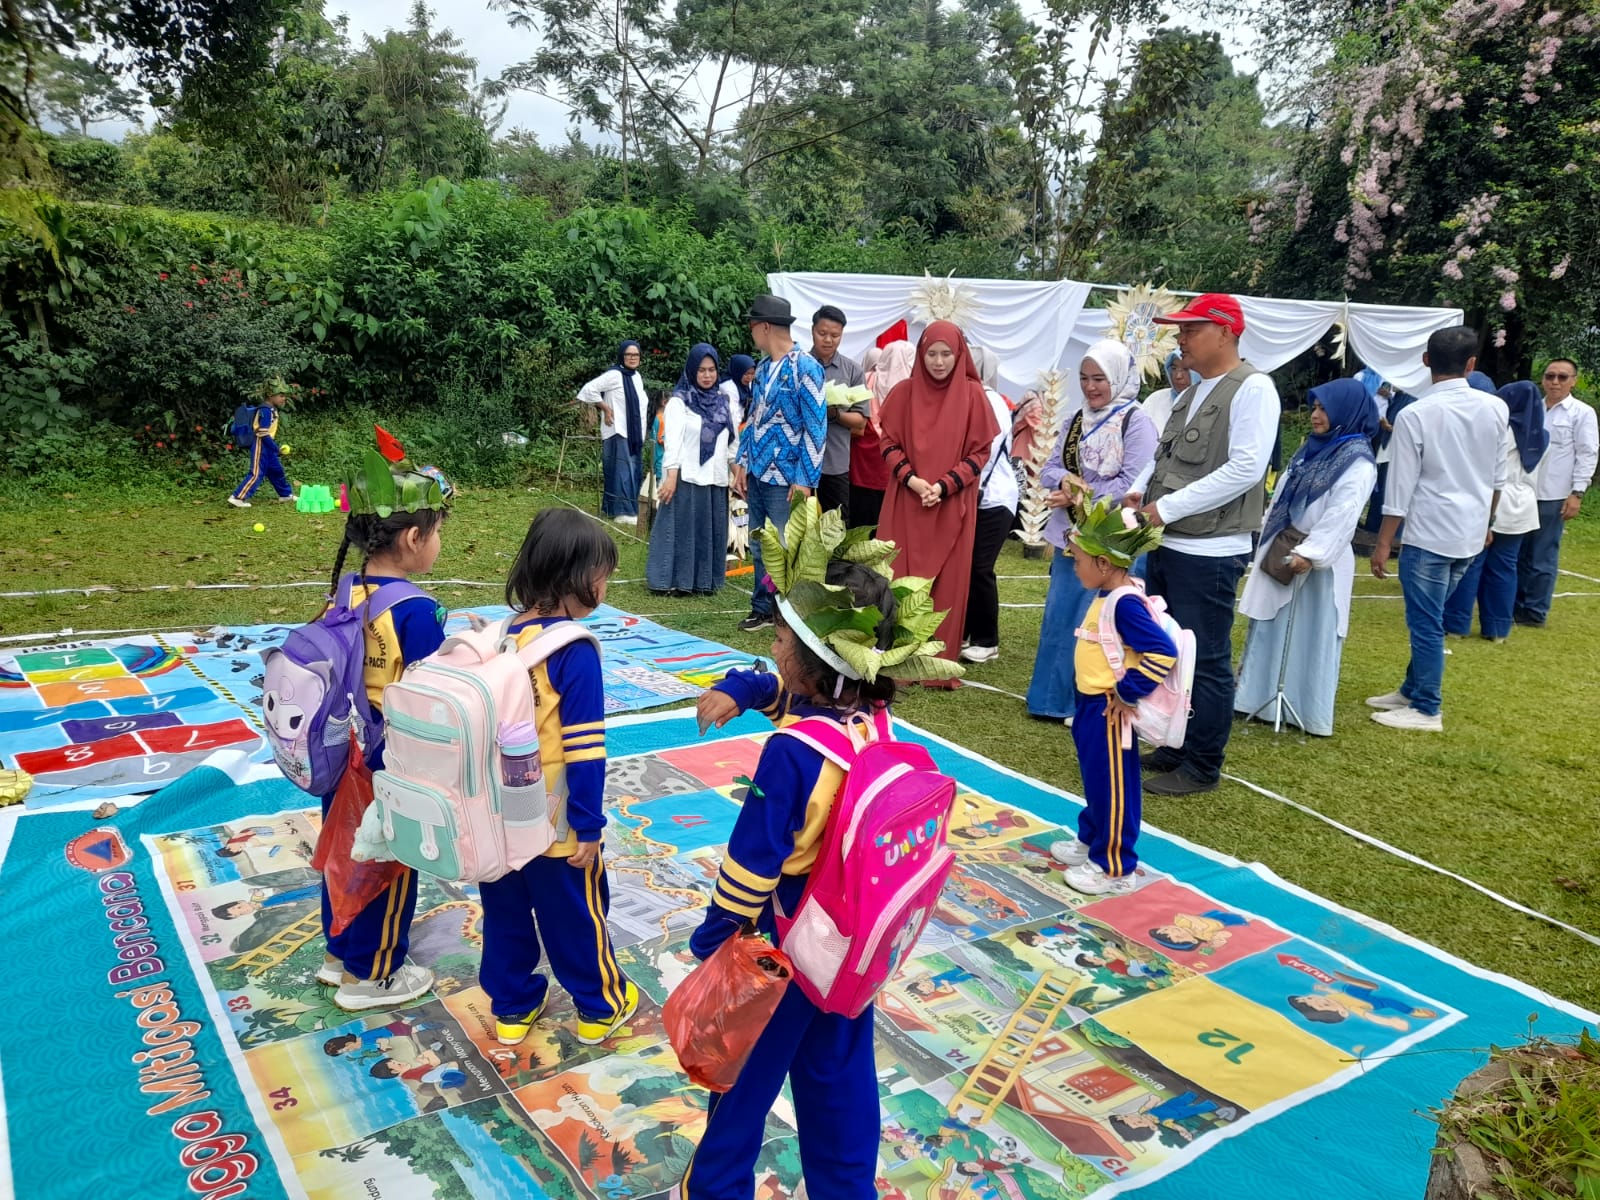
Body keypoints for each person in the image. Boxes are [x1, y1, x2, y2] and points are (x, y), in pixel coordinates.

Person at [679, 504, 952, 1199]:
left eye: (779, 638)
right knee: (838, 1080)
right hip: (851, 948)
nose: (772, 647)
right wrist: (739, 689)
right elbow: (795, 702)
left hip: (783, 952)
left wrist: (716, 939)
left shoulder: (791, 756)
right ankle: (845, 1187)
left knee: (739, 1082)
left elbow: (750, 865)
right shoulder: (872, 724)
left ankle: (714, 1189)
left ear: (812, 659)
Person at [478, 508, 639, 1047]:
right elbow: (585, 749)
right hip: (553, 818)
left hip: (495, 814)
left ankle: (512, 1006)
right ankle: (599, 1006)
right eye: (605, 575)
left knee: (504, 912)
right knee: (575, 912)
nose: (606, 585)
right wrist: (588, 825)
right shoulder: (574, 651)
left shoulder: (499, 637)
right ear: (581, 578)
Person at [317, 443, 452, 1011]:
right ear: (413, 539)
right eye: (438, 530)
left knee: (344, 853)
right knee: (389, 868)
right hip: (388, 763)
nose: (439, 542)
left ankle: (339, 953)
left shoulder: (344, 591)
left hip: (341, 754)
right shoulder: (417, 611)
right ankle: (373, 975)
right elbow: (436, 694)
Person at [1130, 294, 1279, 795]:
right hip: (1173, 541)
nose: (1181, 339)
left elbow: (1246, 468)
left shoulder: (1253, 388)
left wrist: (1165, 508)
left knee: (1208, 659)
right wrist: (1140, 488)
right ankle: (1176, 744)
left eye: (1191, 329)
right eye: (1181, 330)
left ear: (1226, 332)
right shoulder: (1192, 392)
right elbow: (1162, 455)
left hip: (1211, 548)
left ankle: (1202, 765)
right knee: (1172, 650)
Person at [1368, 326, 1509, 732]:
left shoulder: (1415, 414)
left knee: (1426, 623)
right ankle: (1413, 689)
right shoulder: (1494, 408)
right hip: (1468, 532)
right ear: (1471, 365)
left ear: (1426, 361)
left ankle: (1427, 707)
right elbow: (1499, 477)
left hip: (1431, 534)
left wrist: (1383, 542)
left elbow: (1400, 485)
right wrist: (1488, 523)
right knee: (1431, 618)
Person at [1234, 380, 1378, 735]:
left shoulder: (1357, 461)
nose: (1315, 416)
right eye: (1314, 408)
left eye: (1324, 409)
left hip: (1316, 562)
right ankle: (1254, 698)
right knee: (1272, 626)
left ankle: (1306, 707)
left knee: (1311, 633)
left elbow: (1344, 512)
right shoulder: (1310, 451)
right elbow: (1283, 494)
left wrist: (1312, 553)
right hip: (1285, 546)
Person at [1045, 498, 1172, 896]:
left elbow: (1162, 651)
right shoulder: (1108, 595)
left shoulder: (1125, 603)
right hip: (1090, 706)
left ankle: (1114, 866)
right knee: (1098, 780)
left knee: (1115, 786)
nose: (1074, 564)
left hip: (1109, 710)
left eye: (1079, 558)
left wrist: (1126, 692)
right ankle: (1092, 839)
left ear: (1103, 564)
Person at [1027, 339, 1158, 720]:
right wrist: (1067, 482)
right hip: (1073, 538)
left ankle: (1092, 701)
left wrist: (1081, 494)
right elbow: (1050, 466)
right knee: (1061, 618)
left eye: (1099, 378)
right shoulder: (1075, 420)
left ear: (1118, 378)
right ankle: (1050, 701)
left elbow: (1133, 484)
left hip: (1112, 541)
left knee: (1103, 622)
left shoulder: (1137, 422)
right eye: (1084, 378)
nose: (1090, 387)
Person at [877, 321, 1000, 679]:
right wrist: (915, 482)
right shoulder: (903, 393)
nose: (939, 361)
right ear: (921, 354)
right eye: (931, 353)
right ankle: (896, 654)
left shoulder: (974, 396)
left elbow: (980, 453)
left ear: (960, 354)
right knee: (899, 574)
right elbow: (888, 443)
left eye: (947, 353)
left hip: (953, 504)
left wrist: (943, 487)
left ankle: (934, 664)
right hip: (906, 500)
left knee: (946, 583)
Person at [734, 295, 826, 632]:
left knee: (788, 545)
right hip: (758, 468)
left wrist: (804, 479)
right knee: (759, 542)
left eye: (753, 325)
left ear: (766, 326)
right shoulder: (763, 368)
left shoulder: (806, 367)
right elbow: (753, 418)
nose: (751, 332)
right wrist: (742, 462)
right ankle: (762, 607)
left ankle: (791, 611)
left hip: (787, 475)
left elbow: (816, 428)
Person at [1444, 380, 1547, 641]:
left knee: (1472, 563)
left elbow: (1488, 471)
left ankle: (1456, 624)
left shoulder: (1500, 429)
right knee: (1505, 567)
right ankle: (1498, 628)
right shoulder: (1541, 434)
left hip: (1493, 501)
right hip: (1522, 506)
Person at [646, 343, 740, 596]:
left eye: (711, 370)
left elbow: (731, 444)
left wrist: (737, 472)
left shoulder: (725, 402)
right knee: (681, 532)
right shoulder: (679, 402)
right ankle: (674, 581)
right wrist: (671, 477)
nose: (707, 375)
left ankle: (703, 582)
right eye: (701, 370)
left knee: (708, 533)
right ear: (691, 371)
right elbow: (672, 442)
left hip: (714, 480)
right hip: (686, 477)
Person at [1516, 358, 1597, 627]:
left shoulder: (1581, 413)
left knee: (1543, 556)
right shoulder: (1533, 410)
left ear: (1573, 380)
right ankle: (1516, 605)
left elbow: (1587, 454)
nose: (1555, 382)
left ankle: (1535, 611)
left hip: (1555, 494)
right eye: (1550, 376)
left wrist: (1577, 492)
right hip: (1525, 491)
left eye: (1563, 377)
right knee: (1520, 554)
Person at [962, 346, 1019, 664]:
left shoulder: (991, 399)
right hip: (973, 495)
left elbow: (986, 446)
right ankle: (967, 632)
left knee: (980, 568)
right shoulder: (966, 395)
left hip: (994, 496)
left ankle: (987, 639)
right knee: (967, 566)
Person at [578, 340, 650, 525]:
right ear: (622, 356)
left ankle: (614, 508)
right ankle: (623, 512)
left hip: (633, 434)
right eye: (628, 354)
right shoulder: (615, 375)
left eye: (636, 355)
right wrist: (605, 408)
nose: (632, 358)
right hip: (618, 431)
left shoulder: (636, 376)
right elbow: (588, 390)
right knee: (622, 471)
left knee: (631, 470)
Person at [811, 305, 870, 520]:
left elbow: (861, 421)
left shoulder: (853, 371)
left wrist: (834, 414)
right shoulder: (798, 365)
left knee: (835, 528)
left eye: (835, 335)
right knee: (798, 529)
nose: (828, 340)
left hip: (835, 464)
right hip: (798, 462)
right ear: (812, 331)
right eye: (822, 333)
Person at [852, 338, 914, 529]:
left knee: (859, 528)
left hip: (860, 468)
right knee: (888, 528)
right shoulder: (914, 389)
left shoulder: (867, 380)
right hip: (895, 470)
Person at [228, 377, 294, 508]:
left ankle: (285, 495)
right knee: (257, 472)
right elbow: (262, 432)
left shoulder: (271, 409)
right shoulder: (265, 410)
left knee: (276, 471)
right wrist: (276, 448)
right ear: (270, 395)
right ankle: (237, 497)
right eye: (281, 395)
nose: (284, 399)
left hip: (267, 446)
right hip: (261, 445)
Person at [1140, 351, 1191, 439]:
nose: (1178, 376)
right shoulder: (1156, 399)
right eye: (1174, 368)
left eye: (1185, 369)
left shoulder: (1209, 403)